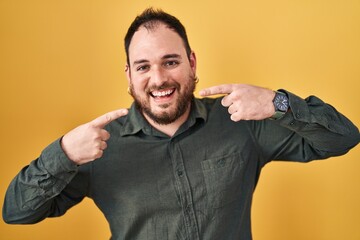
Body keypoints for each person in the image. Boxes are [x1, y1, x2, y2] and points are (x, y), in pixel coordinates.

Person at [3, 7, 359, 240]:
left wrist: (277, 103)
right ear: (129, 75)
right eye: (143, 66)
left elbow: (343, 138)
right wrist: (63, 153)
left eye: (170, 62)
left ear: (191, 62)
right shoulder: (98, 147)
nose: (158, 78)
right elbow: (16, 213)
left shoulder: (241, 121)